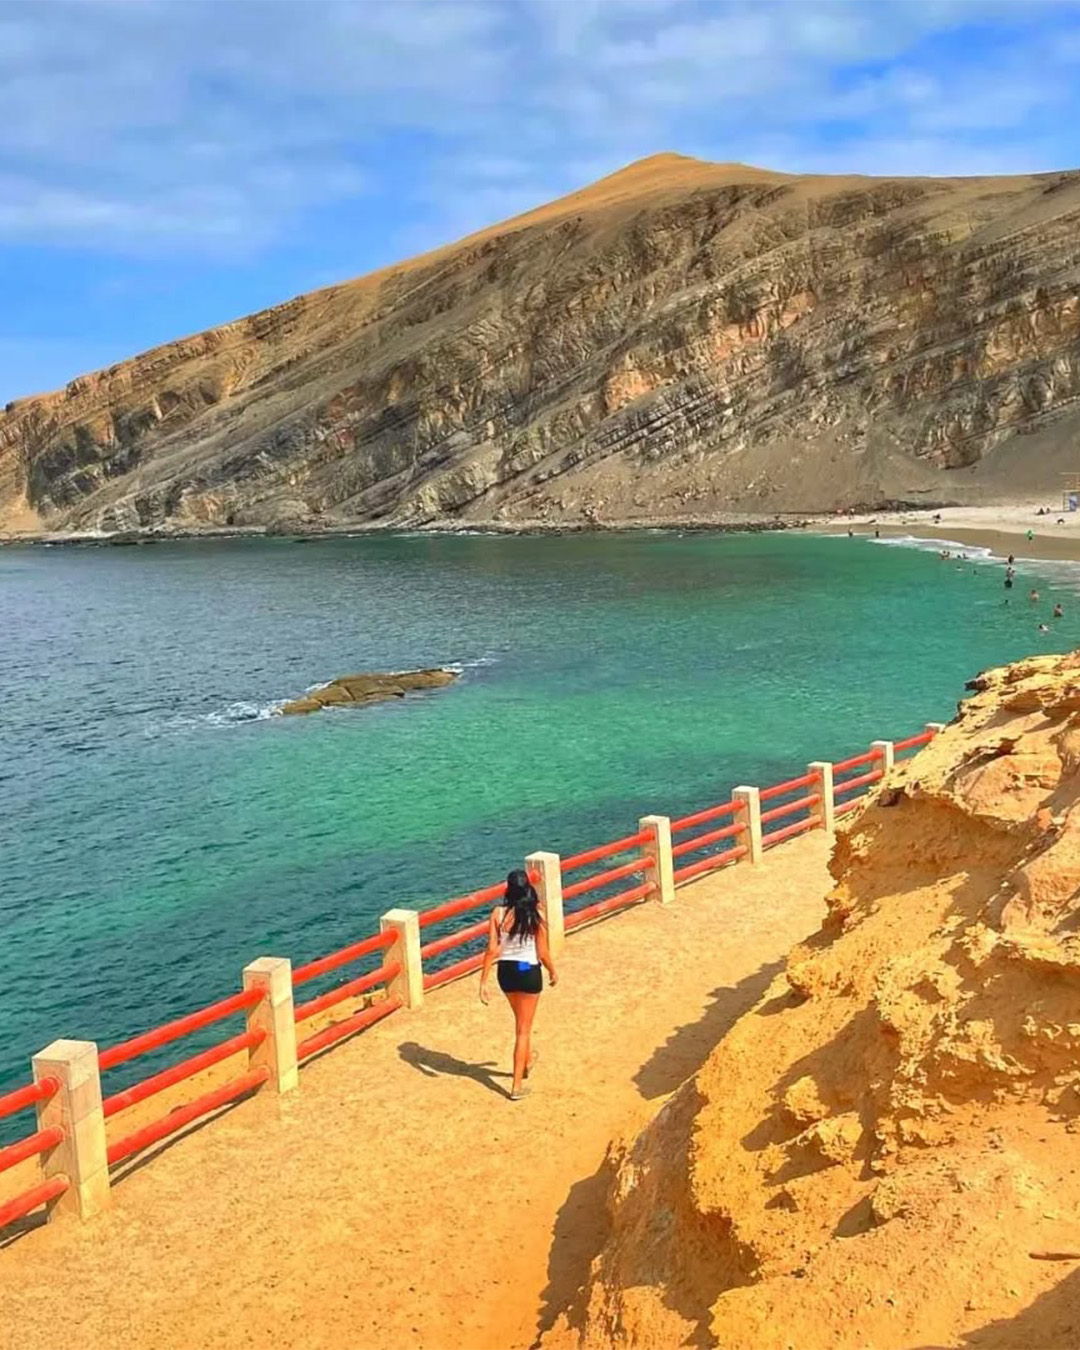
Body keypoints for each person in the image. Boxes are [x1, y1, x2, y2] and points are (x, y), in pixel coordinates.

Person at [479, 869, 558, 1100]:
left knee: (522, 1022)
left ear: (508, 890)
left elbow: (491, 950)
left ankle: (526, 1062)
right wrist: (553, 971)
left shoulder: (498, 914)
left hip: (506, 973)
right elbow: (543, 953)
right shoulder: (536, 915)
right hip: (528, 972)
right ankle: (516, 1086)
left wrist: (483, 982)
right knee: (523, 1030)